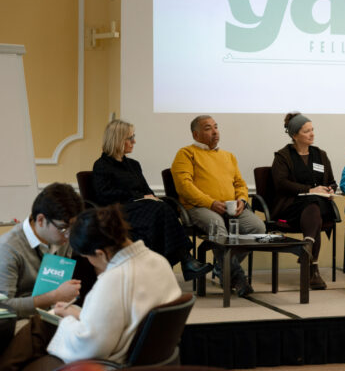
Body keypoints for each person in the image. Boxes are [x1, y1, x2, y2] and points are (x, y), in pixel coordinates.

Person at [0, 205, 182, 370]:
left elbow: (89, 348)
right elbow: (123, 316)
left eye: (88, 257)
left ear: (100, 254)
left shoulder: (114, 280)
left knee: (39, 326)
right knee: (45, 324)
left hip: (112, 361)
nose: (89, 262)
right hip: (149, 356)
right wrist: (76, 314)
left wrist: (69, 321)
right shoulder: (158, 262)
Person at [92, 119, 212, 281]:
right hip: (118, 211)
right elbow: (104, 195)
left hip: (141, 209)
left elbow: (146, 190)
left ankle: (172, 266)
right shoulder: (101, 165)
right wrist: (138, 197)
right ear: (118, 139)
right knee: (160, 210)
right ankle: (184, 261)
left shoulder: (134, 164)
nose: (134, 141)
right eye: (130, 138)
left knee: (163, 207)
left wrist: (150, 197)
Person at [171, 115, 266, 297]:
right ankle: (237, 278)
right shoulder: (186, 153)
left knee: (258, 227)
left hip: (230, 207)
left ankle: (222, 267)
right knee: (217, 227)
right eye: (208, 128)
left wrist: (242, 201)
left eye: (216, 127)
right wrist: (211, 203)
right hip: (199, 208)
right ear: (196, 134)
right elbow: (184, 186)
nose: (215, 131)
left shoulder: (228, 156)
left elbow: (240, 183)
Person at [271, 113, 337, 290]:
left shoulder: (320, 155)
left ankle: (307, 247)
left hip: (319, 206)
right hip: (291, 207)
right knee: (313, 205)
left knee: (314, 205)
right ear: (294, 135)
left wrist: (330, 189)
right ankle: (313, 268)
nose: (312, 134)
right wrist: (309, 190)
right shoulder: (283, 156)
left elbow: (331, 181)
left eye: (312, 130)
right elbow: (281, 183)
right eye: (307, 131)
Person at [0, 183, 83, 318]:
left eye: (73, 228)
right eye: (63, 228)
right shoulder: (8, 248)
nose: (68, 235)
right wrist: (54, 296)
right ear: (41, 220)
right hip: (21, 321)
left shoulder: (61, 237)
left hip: (55, 311)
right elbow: (3, 308)